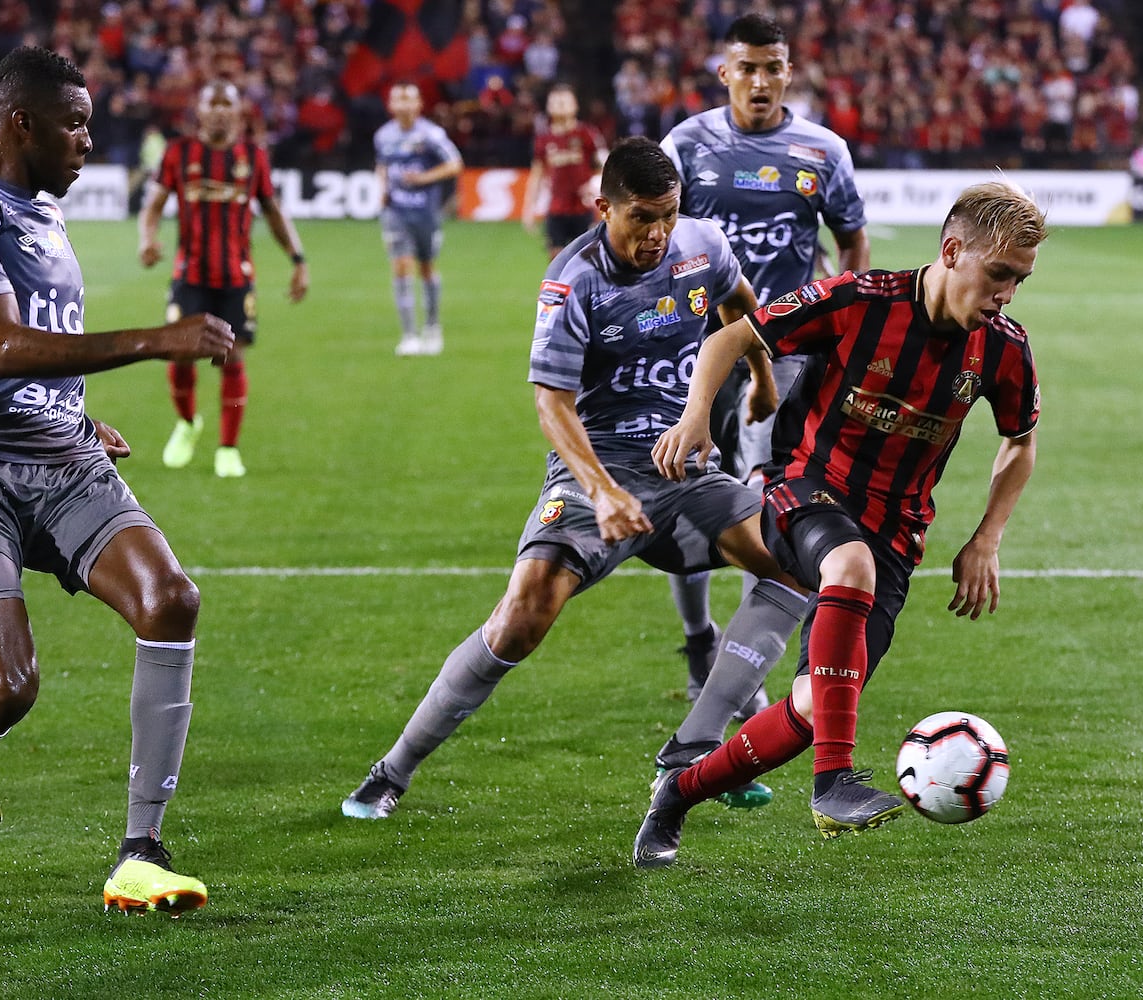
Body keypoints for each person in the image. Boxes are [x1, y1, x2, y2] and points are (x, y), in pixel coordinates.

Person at [0, 46, 235, 913]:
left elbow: (39, 353)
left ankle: (140, 851)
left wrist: (71, 413)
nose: (87, 143)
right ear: (19, 123)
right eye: (74, 125)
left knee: (171, 598)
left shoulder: (43, 214)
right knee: (8, 685)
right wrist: (156, 338)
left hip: (62, 456)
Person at [341, 137, 809, 821]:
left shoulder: (702, 243)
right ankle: (392, 771)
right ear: (604, 208)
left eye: (668, 216)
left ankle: (700, 750)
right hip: (598, 466)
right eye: (641, 218)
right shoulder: (574, 278)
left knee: (792, 563)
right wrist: (601, 490)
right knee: (524, 614)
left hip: (684, 467)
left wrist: (761, 382)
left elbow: (743, 306)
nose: (657, 234)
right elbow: (551, 403)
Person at [633, 180, 1047, 866]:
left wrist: (987, 536)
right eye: (999, 273)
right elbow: (731, 338)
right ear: (951, 251)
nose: (1007, 292)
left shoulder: (1003, 348)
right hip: (805, 490)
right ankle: (835, 782)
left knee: (807, 706)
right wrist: (696, 414)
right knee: (845, 567)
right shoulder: (860, 299)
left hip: (896, 535)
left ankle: (678, 793)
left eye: (1019, 279)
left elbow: (1020, 441)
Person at [659, 13, 870, 717]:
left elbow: (851, 243)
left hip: (797, 362)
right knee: (685, 491)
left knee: (770, 508)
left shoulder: (823, 151)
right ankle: (698, 636)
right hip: (700, 358)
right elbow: (657, 243)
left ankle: (739, 670)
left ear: (788, 72)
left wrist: (849, 328)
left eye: (771, 67)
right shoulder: (685, 147)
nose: (759, 80)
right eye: (745, 67)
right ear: (725, 72)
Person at [138, 80, 309, 479]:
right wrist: (148, 239)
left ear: (238, 111)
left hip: (236, 276)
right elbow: (153, 206)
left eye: (225, 104)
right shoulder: (178, 153)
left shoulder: (253, 156)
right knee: (179, 352)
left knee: (231, 357)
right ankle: (187, 422)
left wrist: (298, 259)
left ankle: (228, 449)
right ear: (199, 109)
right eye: (210, 103)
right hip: (190, 273)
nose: (217, 110)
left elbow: (273, 211)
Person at [374, 82, 464, 356]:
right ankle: (409, 334)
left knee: (426, 267)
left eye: (408, 98)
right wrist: (382, 190)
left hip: (426, 212)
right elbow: (382, 164)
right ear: (390, 105)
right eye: (397, 98)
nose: (402, 104)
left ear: (418, 104)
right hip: (396, 212)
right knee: (401, 266)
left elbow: (454, 164)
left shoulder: (431, 134)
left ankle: (433, 328)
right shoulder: (384, 135)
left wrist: (424, 178)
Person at [521, 83, 608, 260]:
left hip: (583, 208)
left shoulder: (586, 133)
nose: (560, 106)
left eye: (564, 102)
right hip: (556, 209)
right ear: (549, 107)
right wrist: (528, 208)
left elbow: (605, 166)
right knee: (556, 259)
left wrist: (593, 186)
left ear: (574, 105)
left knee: (586, 259)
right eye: (555, 102)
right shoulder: (544, 138)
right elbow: (537, 173)